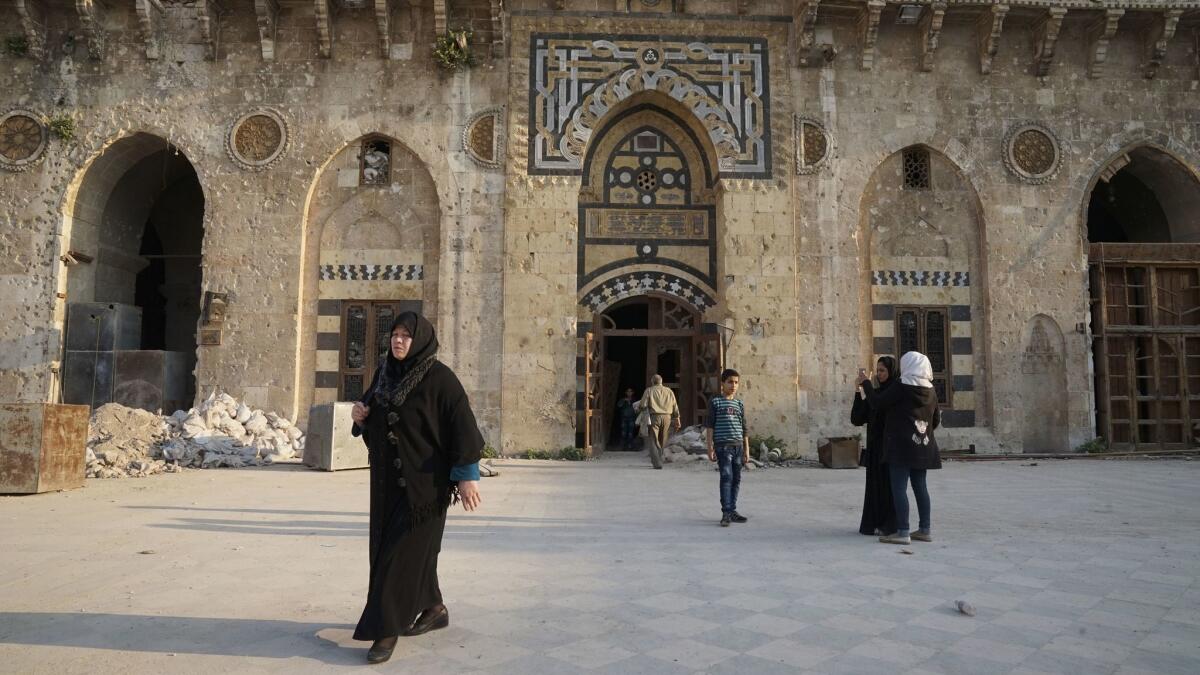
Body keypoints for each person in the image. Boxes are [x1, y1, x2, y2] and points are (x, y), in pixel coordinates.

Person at [349, 312, 484, 664]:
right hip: (386, 486)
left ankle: (386, 628)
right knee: (398, 554)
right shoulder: (384, 374)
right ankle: (435, 608)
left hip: (425, 488)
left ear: (421, 339)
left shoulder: (441, 379)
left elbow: (463, 428)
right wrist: (361, 416)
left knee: (398, 557)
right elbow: (374, 413)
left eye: (406, 336)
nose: (398, 341)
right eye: (394, 334)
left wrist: (467, 475)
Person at [858, 351, 941, 545]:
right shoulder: (931, 389)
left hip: (901, 446)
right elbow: (935, 420)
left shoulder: (902, 386)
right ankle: (924, 529)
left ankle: (903, 532)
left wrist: (866, 384)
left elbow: (878, 403)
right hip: (923, 446)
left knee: (899, 488)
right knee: (920, 487)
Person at [851, 356, 897, 536]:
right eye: (878, 371)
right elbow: (856, 418)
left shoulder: (894, 391)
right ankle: (873, 523)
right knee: (874, 487)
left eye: (883, 371)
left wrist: (868, 386)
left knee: (888, 488)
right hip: (874, 448)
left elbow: (879, 404)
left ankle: (889, 525)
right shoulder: (875, 392)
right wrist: (858, 390)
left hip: (889, 448)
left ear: (891, 371)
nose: (879, 374)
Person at [706, 369, 750, 527]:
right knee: (726, 477)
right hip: (722, 446)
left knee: (736, 478)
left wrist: (747, 449)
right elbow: (710, 426)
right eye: (730, 382)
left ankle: (732, 510)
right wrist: (709, 447)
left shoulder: (739, 404)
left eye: (736, 382)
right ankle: (726, 512)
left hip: (738, 446)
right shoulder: (716, 402)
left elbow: (744, 428)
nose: (733, 385)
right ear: (722, 383)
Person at [638, 374, 680, 469]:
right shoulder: (669, 391)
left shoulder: (649, 390)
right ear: (661, 381)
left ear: (652, 382)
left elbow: (643, 405)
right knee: (662, 439)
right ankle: (659, 459)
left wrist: (640, 408)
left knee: (653, 439)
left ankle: (657, 463)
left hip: (654, 417)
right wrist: (677, 418)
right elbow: (675, 406)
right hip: (667, 418)